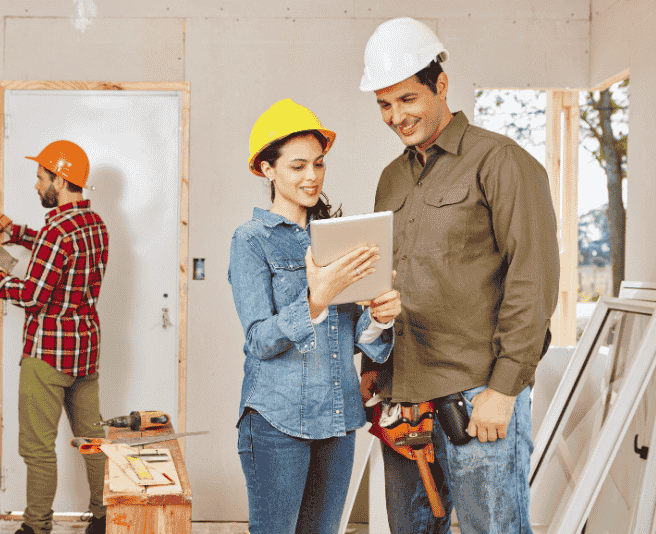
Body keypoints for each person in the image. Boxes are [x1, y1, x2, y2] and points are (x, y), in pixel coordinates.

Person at [357, 18, 560, 534]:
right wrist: (373, 370)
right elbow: (387, 282)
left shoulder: (501, 162)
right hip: (405, 402)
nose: (395, 117)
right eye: (384, 104)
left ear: (440, 85)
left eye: (406, 99)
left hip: (476, 399)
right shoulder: (391, 179)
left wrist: (505, 390)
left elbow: (532, 279)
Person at [228, 99, 402, 534]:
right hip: (276, 420)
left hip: (339, 418)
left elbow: (357, 336)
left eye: (319, 165)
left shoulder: (337, 236)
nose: (312, 177)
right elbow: (260, 341)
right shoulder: (251, 241)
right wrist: (315, 299)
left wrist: (381, 316)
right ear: (267, 169)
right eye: (297, 166)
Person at [0, 140, 109, 534]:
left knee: (36, 449)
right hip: (85, 351)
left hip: (47, 355)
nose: (35, 185)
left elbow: (32, 295)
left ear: (60, 181)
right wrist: (3, 228)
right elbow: (54, 249)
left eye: (40, 178)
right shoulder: (94, 225)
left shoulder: (57, 231)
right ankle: (103, 518)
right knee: (92, 441)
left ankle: (35, 528)